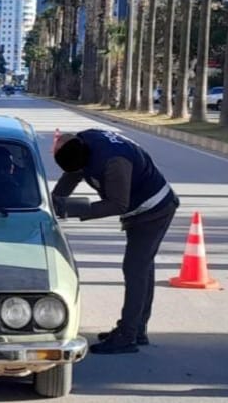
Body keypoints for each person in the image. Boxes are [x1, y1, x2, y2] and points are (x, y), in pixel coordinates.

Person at [52, 129, 179, 354]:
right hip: (140, 210)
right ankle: (137, 329)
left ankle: (127, 336)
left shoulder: (114, 161)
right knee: (142, 268)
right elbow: (72, 174)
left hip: (154, 209)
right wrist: (53, 203)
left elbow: (118, 203)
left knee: (135, 268)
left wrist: (73, 209)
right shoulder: (82, 141)